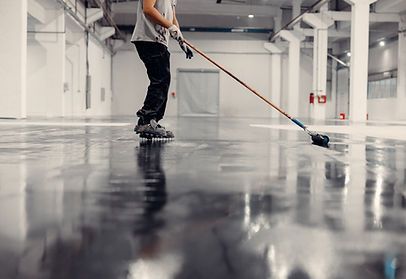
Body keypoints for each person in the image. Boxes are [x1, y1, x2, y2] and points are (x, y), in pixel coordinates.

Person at [131, 0, 193, 139]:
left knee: (164, 80)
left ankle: (152, 121)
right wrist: (171, 27)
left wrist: (180, 39)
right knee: (160, 79)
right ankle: (146, 120)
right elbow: (148, 9)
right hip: (148, 38)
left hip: (159, 41)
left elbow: (172, 17)